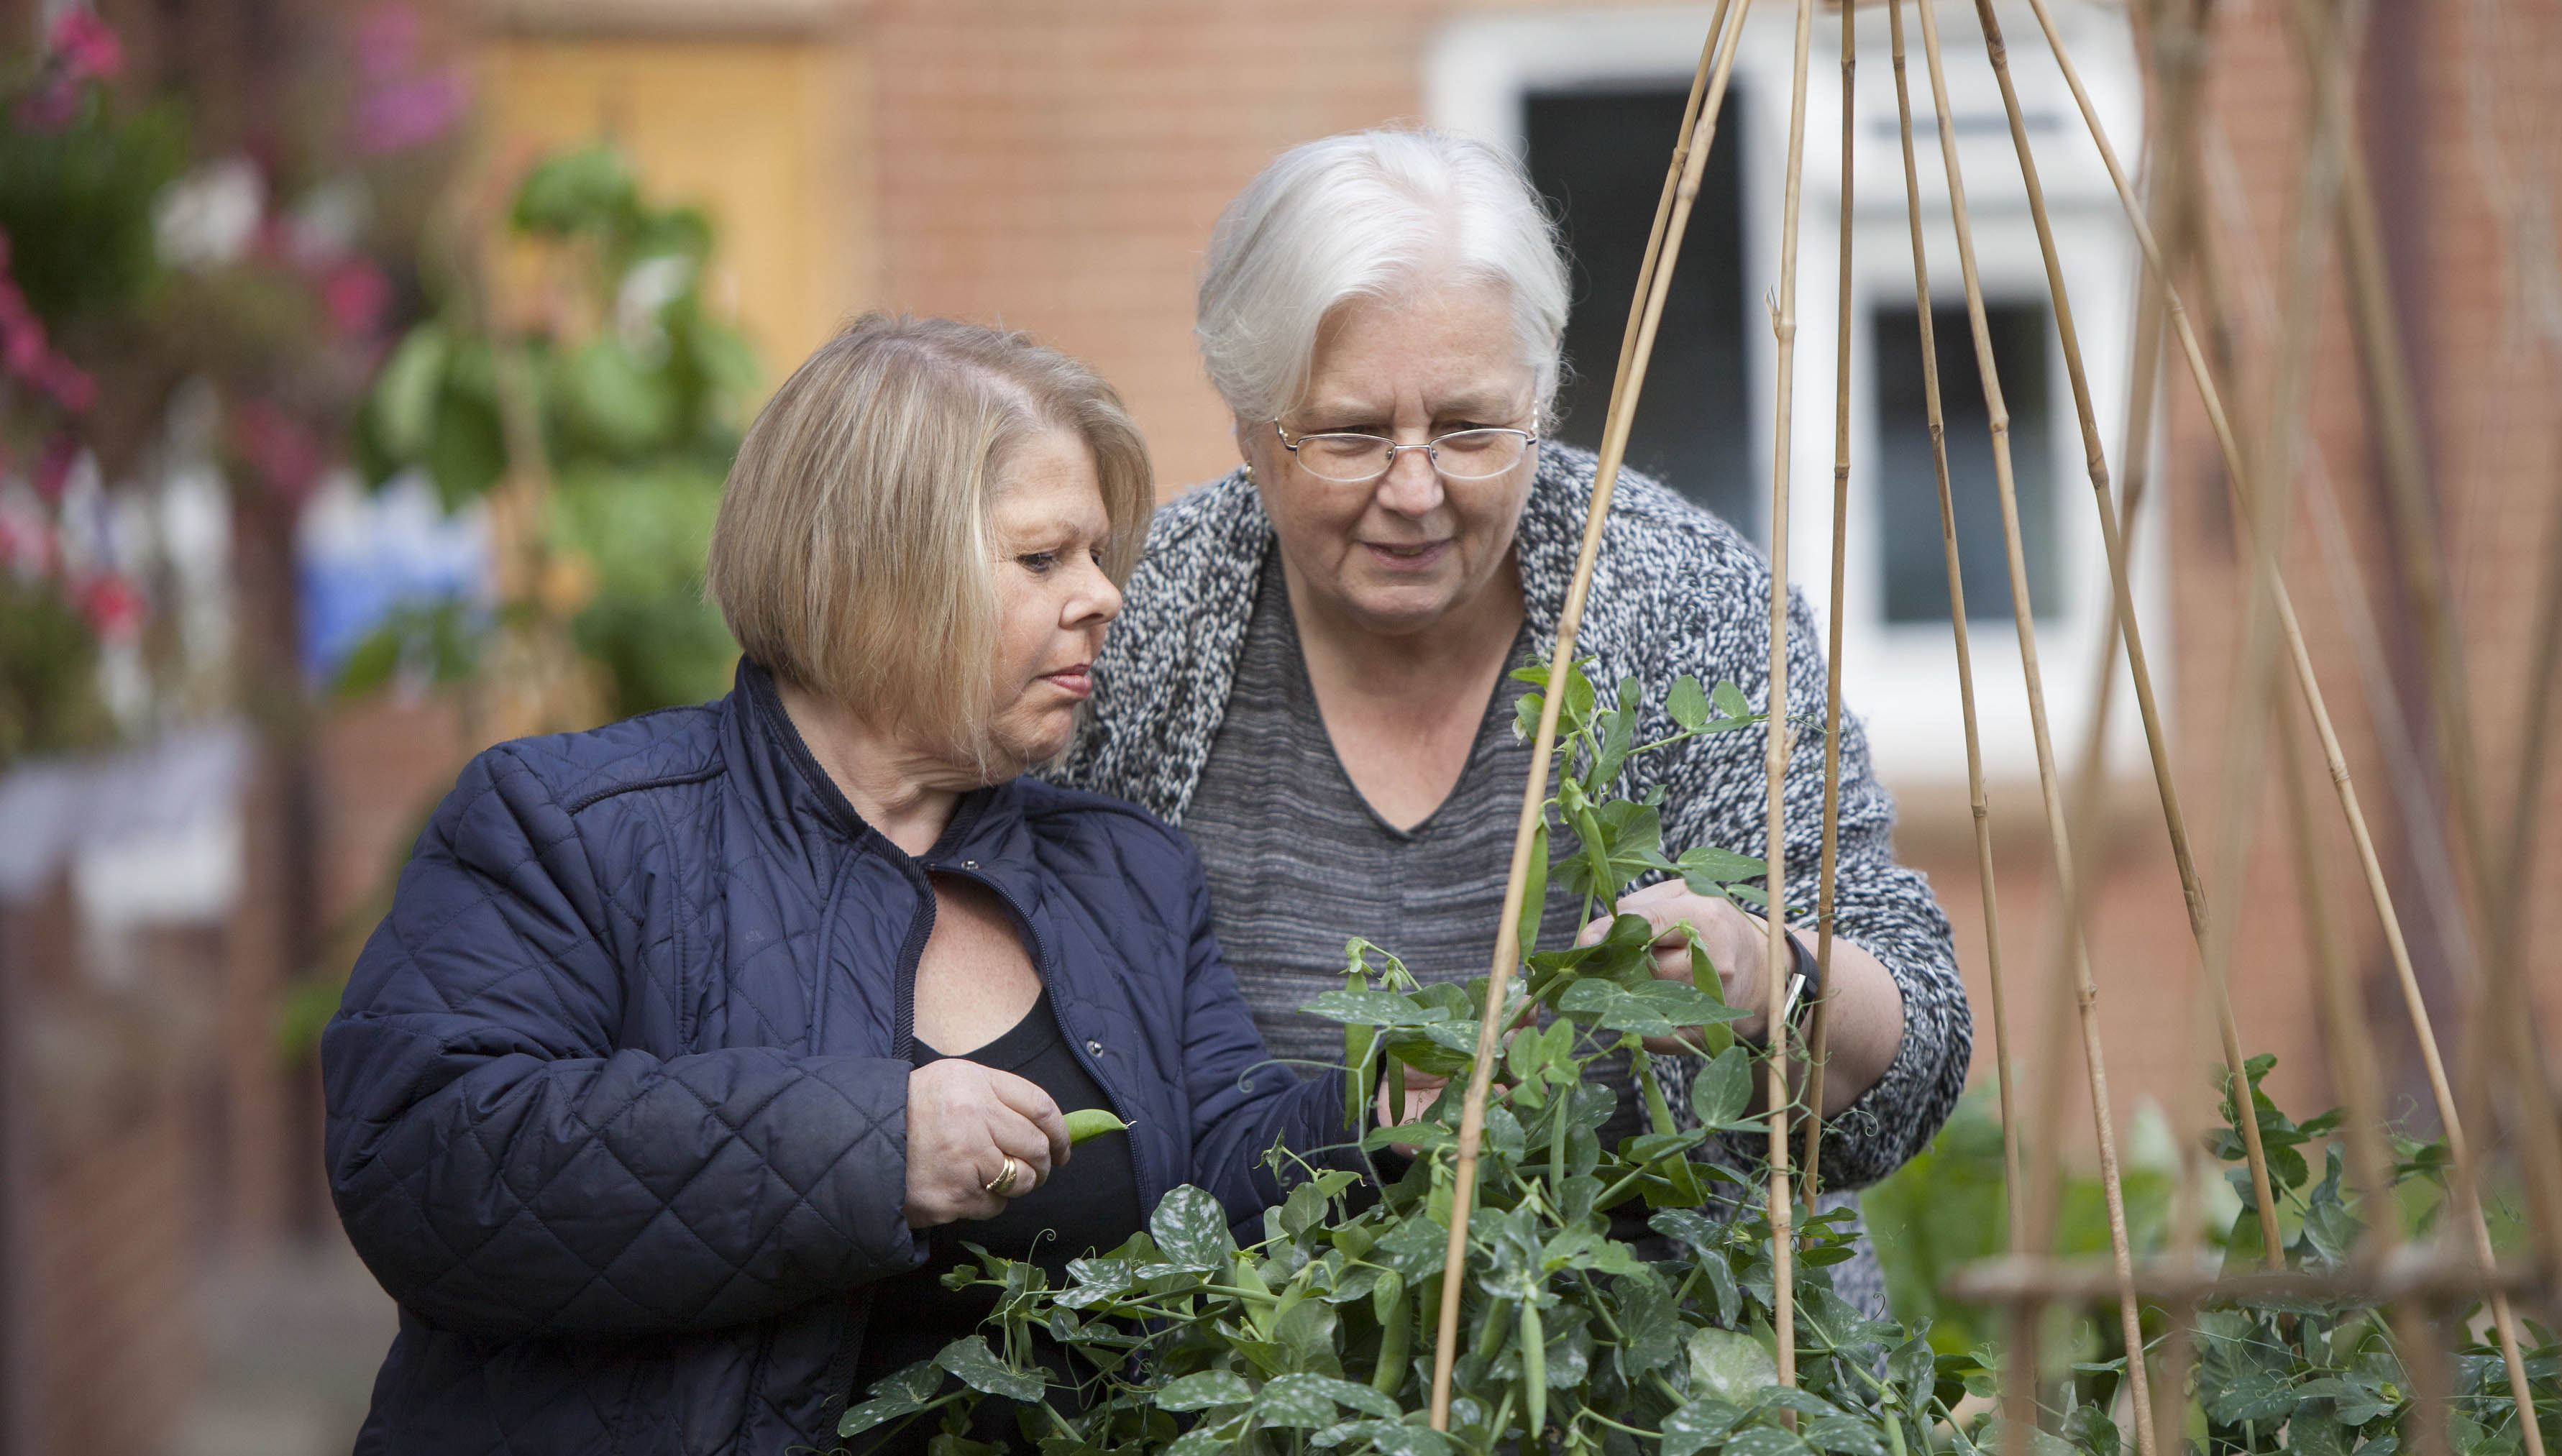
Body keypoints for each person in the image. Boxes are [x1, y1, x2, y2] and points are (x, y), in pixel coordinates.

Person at [321, 315, 1368, 1456]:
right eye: (1041, 559)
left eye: (1098, 557)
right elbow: (429, 1167)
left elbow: (1219, 1181)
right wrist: (877, 1148)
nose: (1105, 596)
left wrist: (1394, 1109)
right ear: (874, 574)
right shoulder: (576, 829)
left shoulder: (1127, 874)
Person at [1052, 129, 1973, 1301]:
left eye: (1472, 428)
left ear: (1541, 400)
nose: (1415, 489)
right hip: (1245, 1367)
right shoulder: (1138, 619)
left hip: (1671, 1377)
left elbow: (1919, 1051)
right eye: (1346, 435)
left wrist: (1767, 970)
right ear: (1247, 423)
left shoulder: (1690, 603)